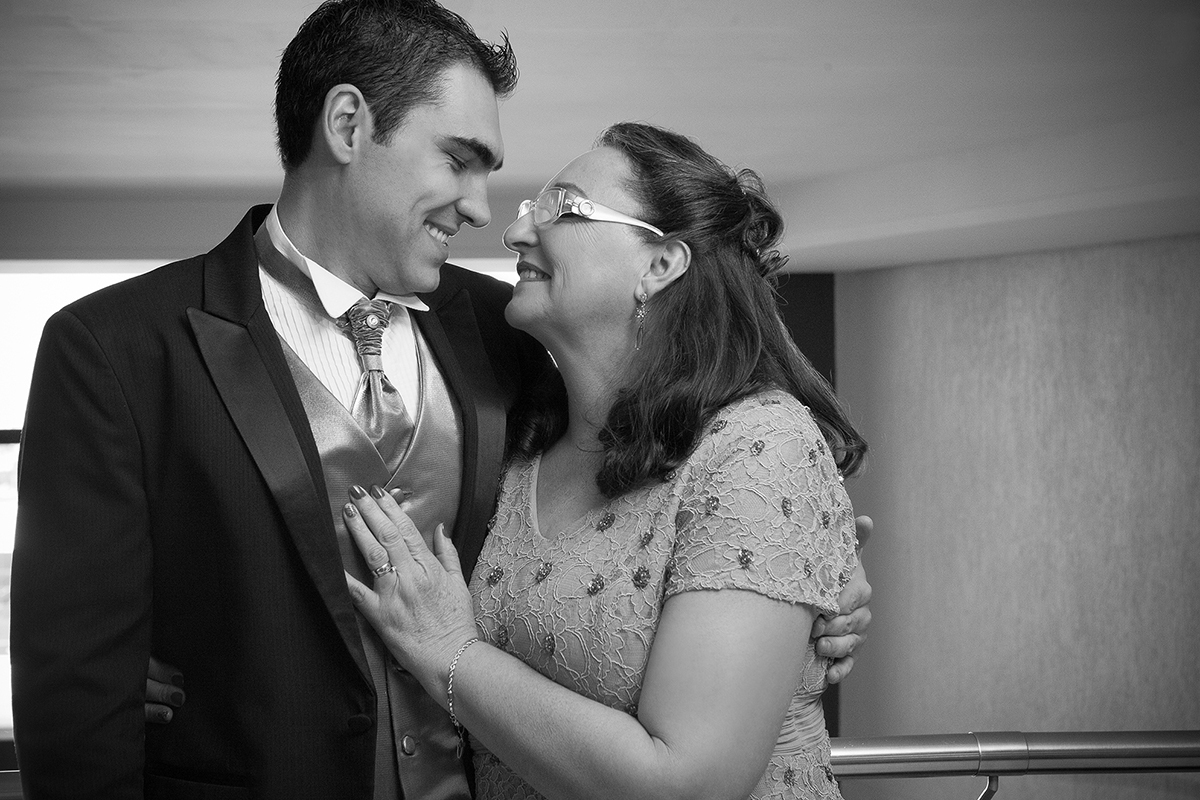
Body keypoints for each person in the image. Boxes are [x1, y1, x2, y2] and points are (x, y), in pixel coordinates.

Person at [10, 1, 870, 799]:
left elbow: (678, 477)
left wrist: (815, 578)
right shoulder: (118, 348)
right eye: (458, 160)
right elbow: (76, 688)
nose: (484, 211)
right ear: (348, 125)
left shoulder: (511, 332)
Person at [339, 121, 867, 800]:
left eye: (561, 209)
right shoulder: (521, 437)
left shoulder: (759, 446)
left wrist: (449, 653)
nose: (516, 232)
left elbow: (689, 786)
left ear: (660, 264)